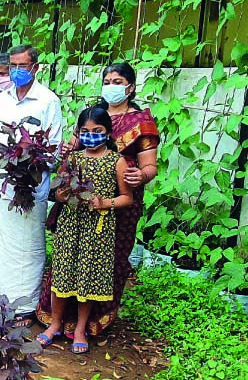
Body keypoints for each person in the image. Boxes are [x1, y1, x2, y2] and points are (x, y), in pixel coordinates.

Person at [39, 61, 161, 339]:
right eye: (107, 81)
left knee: (103, 262)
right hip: (76, 207)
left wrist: (141, 176)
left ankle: (89, 322)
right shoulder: (92, 116)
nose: (111, 86)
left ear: (131, 87)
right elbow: (72, 154)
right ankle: (57, 320)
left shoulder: (140, 122)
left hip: (117, 202)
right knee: (67, 262)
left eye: (117, 82)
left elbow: (150, 167)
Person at [0, 44, 63, 328]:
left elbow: (54, 149)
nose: (16, 71)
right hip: (1, 185)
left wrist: (27, 167)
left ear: (35, 67)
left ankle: (25, 305)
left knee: (28, 245)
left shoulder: (48, 101)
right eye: (13, 66)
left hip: (30, 187)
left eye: (22, 66)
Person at [36, 106, 134, 354]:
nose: (91, 136)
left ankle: (80, 329)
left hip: (97, 230)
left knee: (87, 278)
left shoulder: (117, 161)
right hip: (70, 225)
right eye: (85, 131)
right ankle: (55, 324)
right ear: (79, 133)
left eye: (97, 131)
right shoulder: (73, 159)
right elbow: (58, 191)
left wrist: (105, 203)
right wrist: (61, 194)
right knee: (62, 275)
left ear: (108, 133)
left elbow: (127, 198)